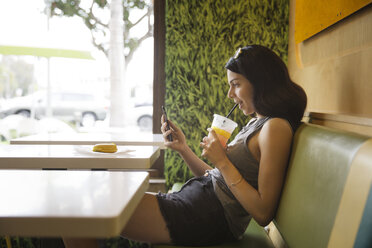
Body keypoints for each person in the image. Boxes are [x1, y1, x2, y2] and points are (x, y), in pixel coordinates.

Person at [63, 45, 307, 247]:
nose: (230, 94)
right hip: (197, 204)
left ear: (260, 82)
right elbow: (220, 181)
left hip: (205, 216)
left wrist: (221, 160)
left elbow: (263, 212)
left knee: (79, 211)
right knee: (81, 206)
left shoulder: (275, 128)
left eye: (236, 84)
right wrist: (183, 149)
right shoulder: (258, 122)